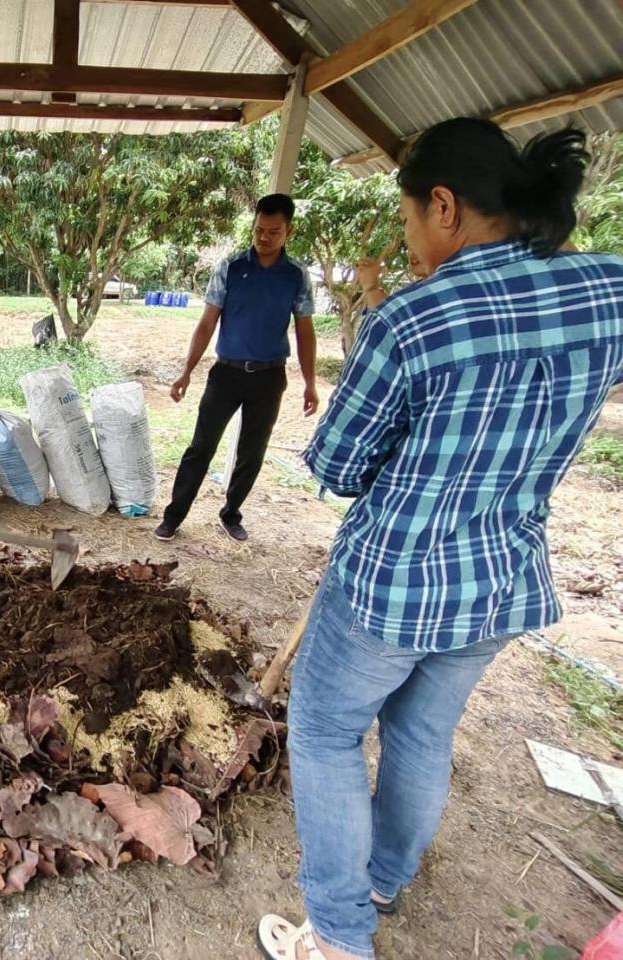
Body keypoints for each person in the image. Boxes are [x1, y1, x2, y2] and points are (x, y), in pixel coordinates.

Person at [258, 120, 623, 960]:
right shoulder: (605, 288)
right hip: (501, 580)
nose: (410, 239)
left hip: (392, 586)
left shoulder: (412, 321)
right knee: (423, 734)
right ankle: (385, 876)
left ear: (446, 207)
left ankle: (341, 935)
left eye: (410, 219)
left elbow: (341, 464)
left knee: (324, 733)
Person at [154, 193, 317, 543]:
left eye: (273, 231)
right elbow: (207, 322)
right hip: (226, 374)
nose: (264, 237)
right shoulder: (230, 267)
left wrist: (310, 383)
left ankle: (231, 513)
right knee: (200, 447)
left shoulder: (296, 276)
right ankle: (174, 516)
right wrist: (186, 371)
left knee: (252, 451)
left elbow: (305, 331)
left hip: (270, 376)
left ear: (289, 230)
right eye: (259, 229)